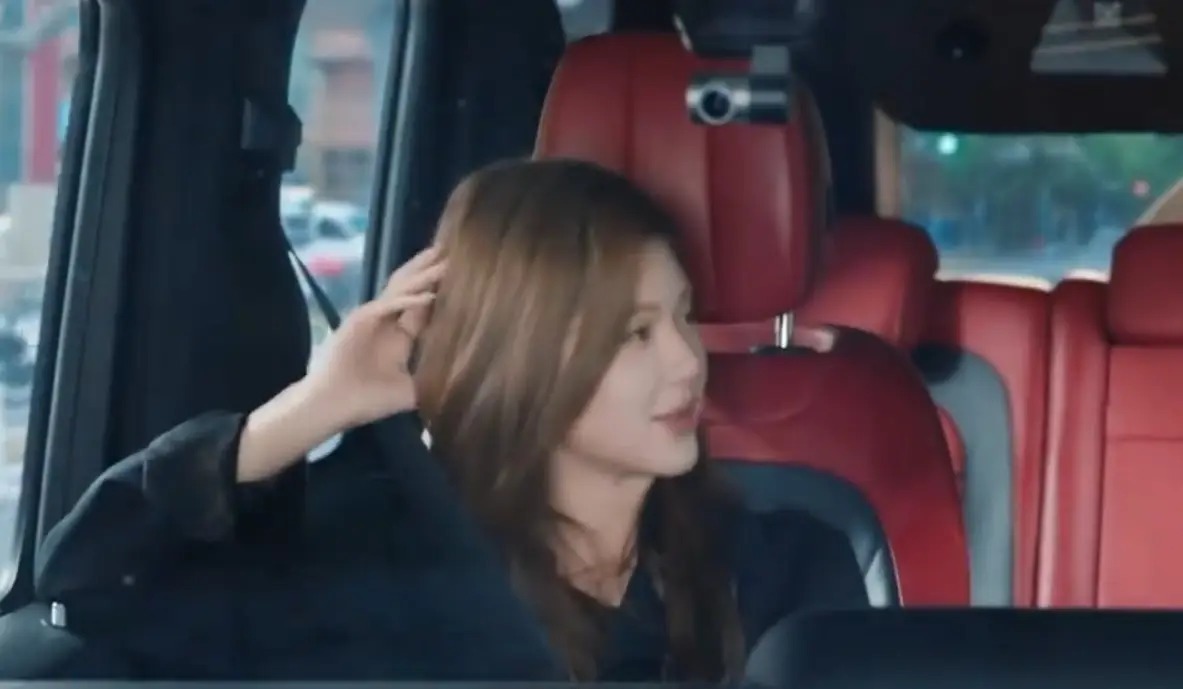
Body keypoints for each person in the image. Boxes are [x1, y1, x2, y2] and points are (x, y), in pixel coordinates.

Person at [34, 159, 868, 683]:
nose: (687, 362)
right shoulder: (366, 558)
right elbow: (89, 587)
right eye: (634, 334)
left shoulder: (779, 568)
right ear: (522, 355)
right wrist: (311, 408)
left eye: (683, 316)